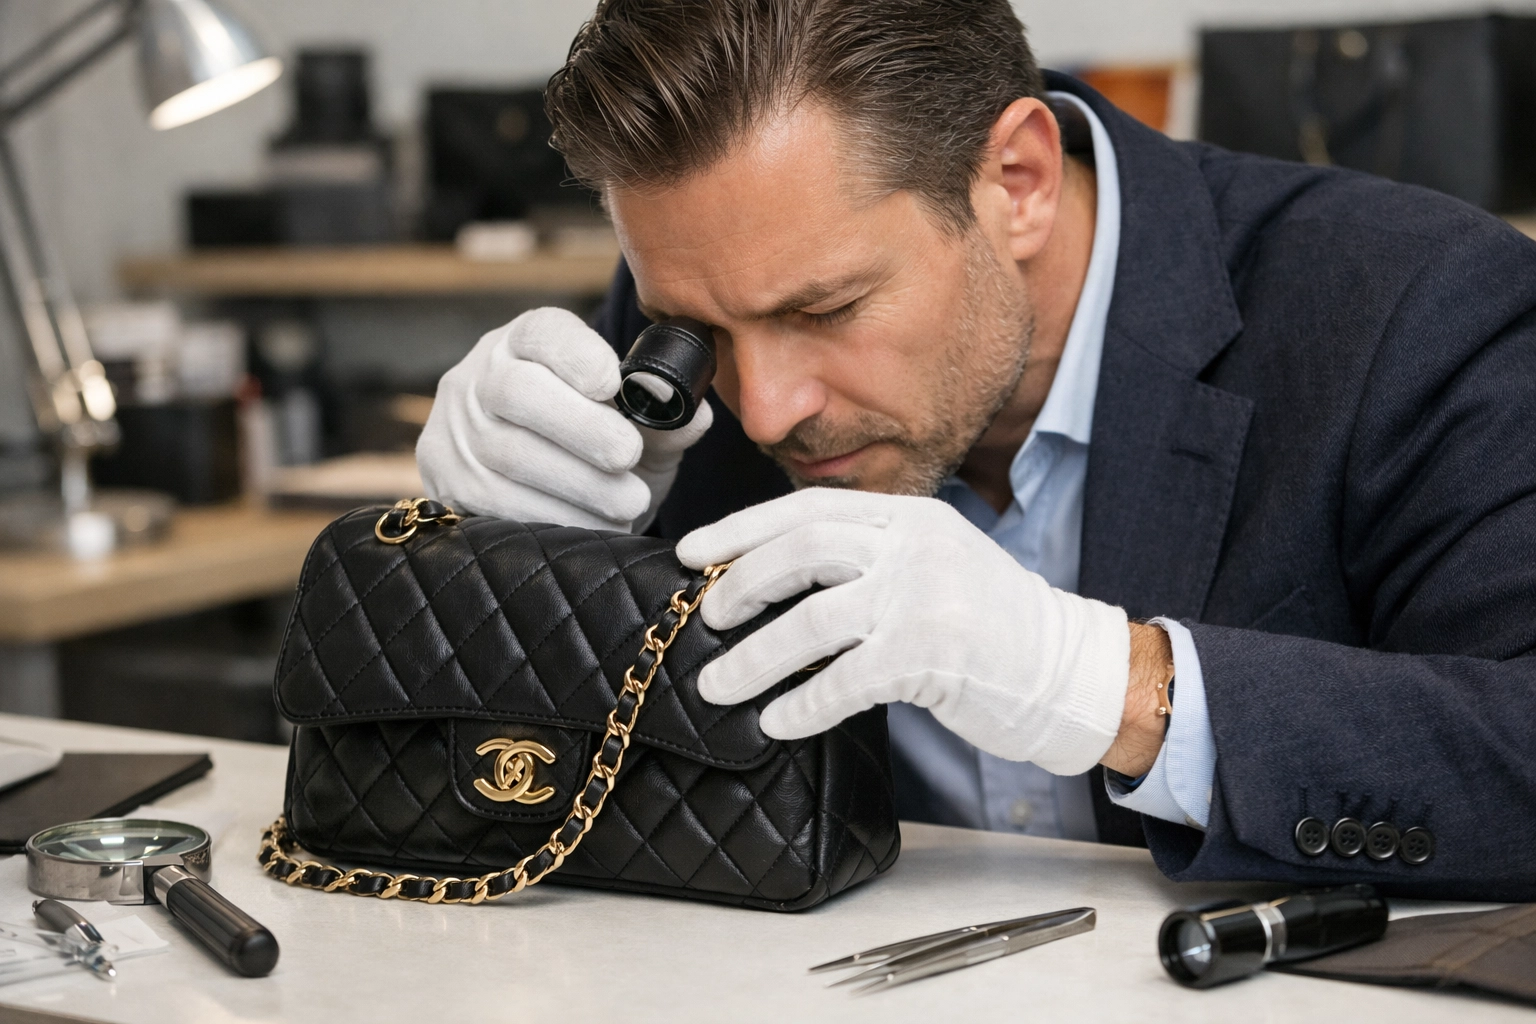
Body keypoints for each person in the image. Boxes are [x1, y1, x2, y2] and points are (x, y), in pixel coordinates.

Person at [415, 0, 1536, 900]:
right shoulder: (701, 310)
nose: (763, 409)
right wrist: (510, 564)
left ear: (1017, 185)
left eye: (829, 308)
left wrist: (1104, 684)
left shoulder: (1414, 309)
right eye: (706, 332)